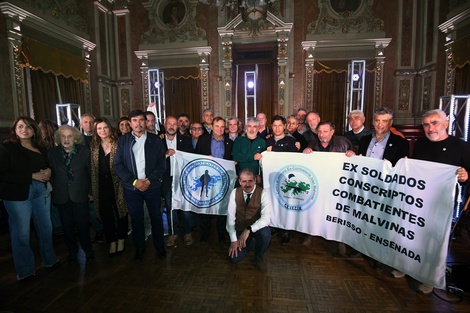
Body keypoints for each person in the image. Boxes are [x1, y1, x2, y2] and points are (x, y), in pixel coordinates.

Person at [392, 109, 470, 294]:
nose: (430, 128)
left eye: (434, 123)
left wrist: (466, 176)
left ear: (445, 123)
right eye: (426, 124)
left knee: (433, 241)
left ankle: (429, 276)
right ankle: (405, 265)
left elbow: (468, 173)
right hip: (417, 200)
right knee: (410, 234)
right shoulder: (420, 144)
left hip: (441, 204)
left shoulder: (461, 146)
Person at [0, 116, 59, 281]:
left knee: (46, 228)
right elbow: (2, 174)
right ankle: (25, 271)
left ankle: (49, 260)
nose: (24, 130)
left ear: (34, 130)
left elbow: (47, 165)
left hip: (41, 191)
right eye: (20, 126)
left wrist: (49, 171)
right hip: (17, 194)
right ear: (15, 129)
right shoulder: (7, 147)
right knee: (22, 234)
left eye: (28, 127)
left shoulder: (40, 147)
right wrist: (31, 175)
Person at [114, 110, 167, 260]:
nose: (138, 123)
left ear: (145, 122)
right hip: (132, 187)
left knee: (156, 217)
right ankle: (139, 247)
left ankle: (159, 245)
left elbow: (161, 165)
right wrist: (135, 182)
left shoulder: (155, 140)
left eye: (141, 120)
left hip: (152, 186)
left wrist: (149, 180)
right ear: (130, 124)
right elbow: (118, 165)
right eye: (135, 120)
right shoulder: (123, 141)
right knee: (136, 218)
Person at [303, 121, 354, 247]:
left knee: (336, 211)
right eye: (319, 131)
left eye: (325, 131)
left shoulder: (343, 142)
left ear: (332, 131)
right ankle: (312, 233)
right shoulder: (313, 143)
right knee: (315, 209)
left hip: (336, 183)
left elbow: (355, 160)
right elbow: (305, 163)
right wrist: (305, 152)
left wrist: (352, 154)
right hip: (318, 182)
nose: (321, 134)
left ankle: (338, 239)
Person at [49, 125, 95, 264]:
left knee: (82, 225)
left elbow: (91, 173)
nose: (66, 139)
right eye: (63, 136)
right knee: (67, 227)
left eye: (70, 136)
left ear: (75, 138)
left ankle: (88, 251)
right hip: (62, 195)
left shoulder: (85, 151)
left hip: (80, 194)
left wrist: (92, 192)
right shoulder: (52, 153)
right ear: (59, 138)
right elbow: (51, 173)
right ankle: (72, 252)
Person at [90, 118, 129, 256]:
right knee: (106, 215)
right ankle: (111, 240)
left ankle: (121, 238)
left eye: (105, 127)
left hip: (118, 185)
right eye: (99, 128)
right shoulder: (94, 147)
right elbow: (93, 170)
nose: (102, 131)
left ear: (110, 129)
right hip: (101, 186)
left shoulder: (119, 144)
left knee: (121, 212)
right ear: (96, 131)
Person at [195, 116, 234, 242]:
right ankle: (205, 232)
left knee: (222, 206)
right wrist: (204, 158)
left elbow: (232, 159)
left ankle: (221, 233)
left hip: (222, 179)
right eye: (217, 126)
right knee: (205, 205)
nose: (220, 129)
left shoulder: (230, 142)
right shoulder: (203, 140)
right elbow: (195, 157)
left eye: (222, 126)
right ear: (212, 127)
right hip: (207, 178)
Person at [226, 167, 271, 273]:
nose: (247, 184)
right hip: (240, 228)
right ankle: (249, 243)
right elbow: (230, 217)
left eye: (250, 180)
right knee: (234, 259)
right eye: (244, 181)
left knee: (266, 234)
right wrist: (233, 240)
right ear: (240, 182)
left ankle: (258, 256)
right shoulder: (234, 193)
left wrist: (249, 229)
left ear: (255, 180)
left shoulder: (263, 193)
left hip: (255, 228)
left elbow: (266, 218)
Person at [161, 116, 195, 247]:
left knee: (186, 208)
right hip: (167, 180)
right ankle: (173, 233)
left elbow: (191, 158)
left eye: (174, 124)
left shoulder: (186, 140)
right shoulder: (158, 141)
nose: (171, 126)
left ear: (177, 126)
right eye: (169, 124)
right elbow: (154, 159)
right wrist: (165, 154)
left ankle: (187, 232)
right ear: (165, 125)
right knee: (171, 208)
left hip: (183, 179)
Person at [265, 115, 299, 244]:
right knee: (272, 203)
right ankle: (274, 226)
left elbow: (292, 155)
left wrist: (274, 150)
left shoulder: (291, 141)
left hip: (287, 179)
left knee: (286, 205)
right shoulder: (267, 141)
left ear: (284, 126)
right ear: (271, 127)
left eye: (280, 125)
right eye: (274, 125)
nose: (277, 128)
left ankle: (286, 230)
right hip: (271, 179)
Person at [80, 113, 104, 243]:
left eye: (91, 122)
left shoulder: (101, 137)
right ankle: (99, 229)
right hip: (85, 179)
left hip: (102, 176)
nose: (88, 125)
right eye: (85, 122)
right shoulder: (77, 139)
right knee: (92, 208)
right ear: (81, 124)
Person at [232, 117, 267, 182]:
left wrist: (261, 176)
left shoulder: (262, 142)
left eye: (254, 127)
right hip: (241, 178)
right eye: (249, 126)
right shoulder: (239, 140)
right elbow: (236, 157)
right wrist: (253, 157)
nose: (251, 129)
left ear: (258, 128)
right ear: (246, 127)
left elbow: (264, 162)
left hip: (256, 178)